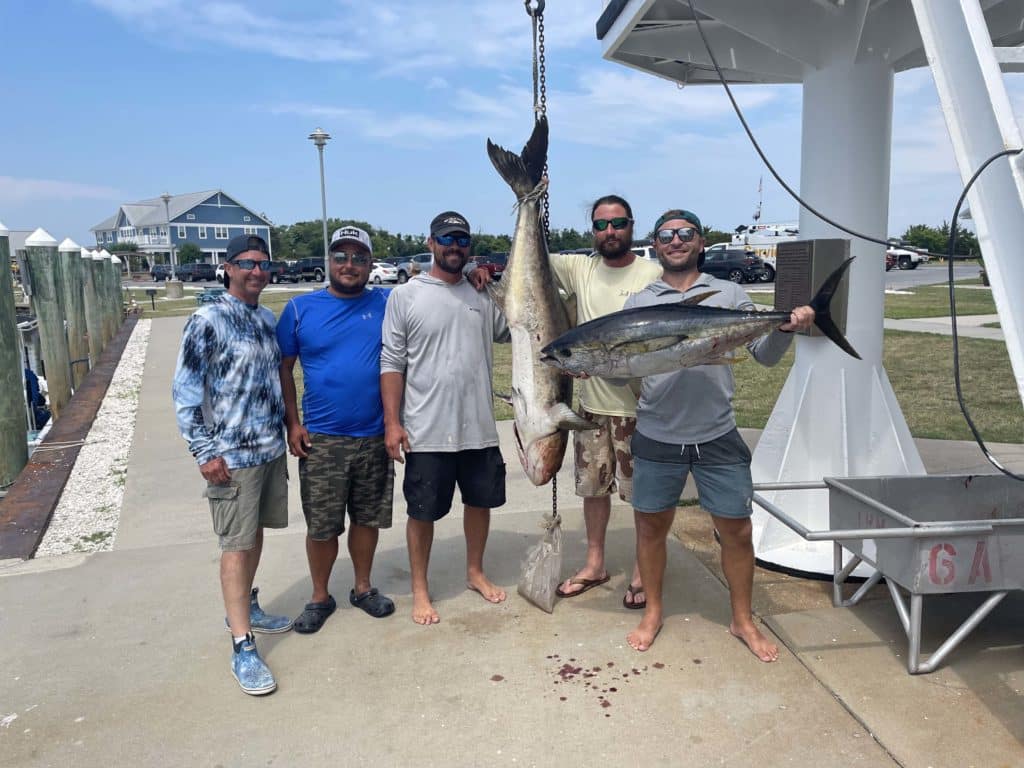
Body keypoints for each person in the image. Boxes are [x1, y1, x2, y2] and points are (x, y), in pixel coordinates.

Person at [624, 209, 815, 658]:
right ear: (655, 244)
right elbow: (623, 371)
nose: (676, 241)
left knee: (738, 531)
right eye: (666, 235)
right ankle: (653, 612)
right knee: (650, 529)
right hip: (656, 432)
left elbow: (764, 355)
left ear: (700, 242)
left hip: (717, 433)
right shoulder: (638, 303)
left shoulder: (729, 294)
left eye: (685, 233)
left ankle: (742, 619)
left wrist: (786, 329)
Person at [172, 233, 293, 696]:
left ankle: (247, 603)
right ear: (227, 267)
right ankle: (242, 644)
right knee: (235, 546)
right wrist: (204, 452)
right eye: (246, 263)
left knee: (255, 534)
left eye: (263, 264)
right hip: (231, 457)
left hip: (269, 449)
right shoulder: (207, 319)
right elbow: (184, 394)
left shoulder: (265, 318)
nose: (257, 271)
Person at [381, 211, 510, 625]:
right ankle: (421, 588)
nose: (454, 247)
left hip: (479, 427)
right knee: (422, 512)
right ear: (431, 242)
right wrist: (392, 423)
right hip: (426, 428)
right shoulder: (406, 295)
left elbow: (516, 327)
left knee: (480, 503)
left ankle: (475, 572)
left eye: (462, 241)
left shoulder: (483, 294)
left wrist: (494, 279)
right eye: (446, 239)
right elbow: (392, 362)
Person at [277, 225, 396, 633]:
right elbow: (284, 369)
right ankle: (319, 596)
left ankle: (362, 588)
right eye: (341, 257)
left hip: (375, 435)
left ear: (370, 264)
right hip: (322, 439)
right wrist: (292, 422)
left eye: (359, 258)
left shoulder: (388, 300)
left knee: (367, 518)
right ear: (328, 261)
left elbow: (435, 288)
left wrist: (473, 273)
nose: (350, 265)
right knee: (323, 525)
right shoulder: (298, 309)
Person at [549, 195, 662, 609]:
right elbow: (528, 256)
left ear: (632, 226)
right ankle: (594, 563)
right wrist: (534, 199)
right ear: (592, 230)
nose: (609, 232)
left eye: (617, 224)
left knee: (640, 496)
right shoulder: (581, 268)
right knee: (592, 490)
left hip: (641, 408)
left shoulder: (653, 271)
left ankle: (640, 569)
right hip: (592, 408)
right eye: (601, 225)